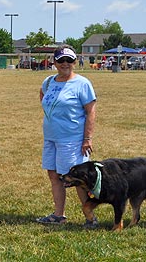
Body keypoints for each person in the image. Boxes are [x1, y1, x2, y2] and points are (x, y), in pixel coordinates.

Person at [36, 45, 96, 226]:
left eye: (69, 60)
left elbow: (91, 112)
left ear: (75, 62)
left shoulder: (82, 84)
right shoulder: (48, 82)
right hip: (51, 138)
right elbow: (42, 96)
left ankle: (90, 218)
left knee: (78, 180)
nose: (65, 64)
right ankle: (58, 215)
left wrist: (87, 139)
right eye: (61, 60)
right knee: (54, 176)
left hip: (73, 140)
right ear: (54, 62)